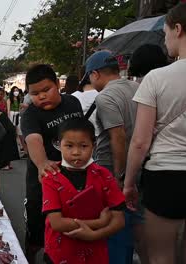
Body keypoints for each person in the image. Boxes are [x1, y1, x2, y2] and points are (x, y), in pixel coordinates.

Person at [123, 3, 186, 264]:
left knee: (161, 255)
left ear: (178, 29)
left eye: (165, 34)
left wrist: (129, 183)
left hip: (167, 175)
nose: (165, 41)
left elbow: (140, 142)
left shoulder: (157, 78)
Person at [20, 64, 83, 260]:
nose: (41, 96)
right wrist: (42, 164)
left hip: (73, 177)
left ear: (58, 84)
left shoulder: (73, 103)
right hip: (42, 180)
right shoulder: (30, 114)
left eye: (46, 90)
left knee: (67, 228)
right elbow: (33, 140)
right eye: (35, 93)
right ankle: (30, 253)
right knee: (37, 228)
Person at [42, 118, 125, 264]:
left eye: (83, 146)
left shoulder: (103, 175)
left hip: (95, 253)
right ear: (58, 145)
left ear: (94, 145)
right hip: (60, 253)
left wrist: (94, 235)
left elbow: (119, 220)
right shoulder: (51, 178)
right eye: (69, 146)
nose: (76, 152)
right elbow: (57, 223)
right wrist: (100, 222)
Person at [84, 50, 139, 264]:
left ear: (95, 74)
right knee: (129, 225)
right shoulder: (138, 88)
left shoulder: (106, 97)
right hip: (139, 166)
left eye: (89, 77)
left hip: (112, 170)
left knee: (113, 227)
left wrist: (119, 176)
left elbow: (118, 136)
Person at [7, 86, 27, 156]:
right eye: (15, 90)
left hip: (18, 116)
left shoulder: (19, 99)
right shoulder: (9, 99)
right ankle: (13, 152)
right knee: (13, 134)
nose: (16, 92)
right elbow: (8, 110)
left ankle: (25, 151)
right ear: (12, 91)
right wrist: (9, 119)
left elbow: (21, 108)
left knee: (20, 133)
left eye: (17, 90)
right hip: (12, 116)